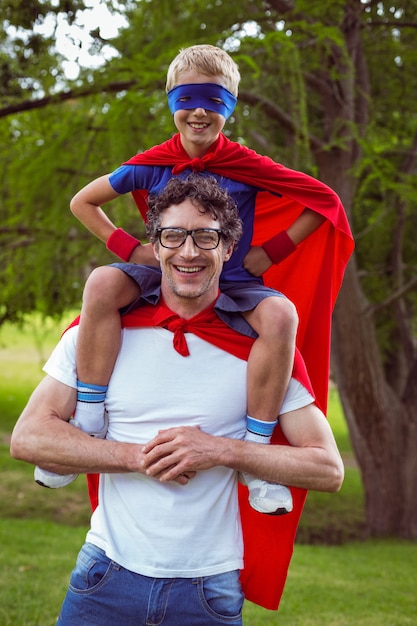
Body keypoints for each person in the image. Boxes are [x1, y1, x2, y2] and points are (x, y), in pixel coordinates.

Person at [11, 175, 344, 623]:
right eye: (174, 235)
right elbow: (28, 439)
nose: (189, 252)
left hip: (209, 592)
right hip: (103, 578)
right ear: (156, 243)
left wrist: (223, 450)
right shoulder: (100, 334)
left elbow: (328, 469)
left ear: (227, 248)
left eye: (206, 237)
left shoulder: (261, 351)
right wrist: (135, 456)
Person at [35, 43, 353, 512]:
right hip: (160, 273)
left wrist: (271, 252)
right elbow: (83, 201)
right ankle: (88, 420)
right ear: (171, 103)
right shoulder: (150, 163)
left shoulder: (246, 164)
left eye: (213, 101)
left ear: (231, 107)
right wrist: (131, 248)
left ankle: (257, 452)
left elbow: (324, 201)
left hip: (234, 279)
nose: (199, 112)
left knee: (282, 314)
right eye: (187, 100)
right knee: (101, 283)